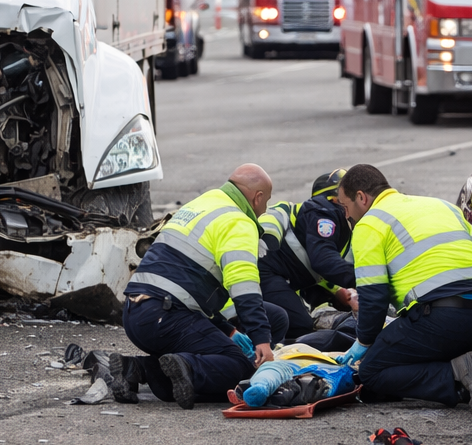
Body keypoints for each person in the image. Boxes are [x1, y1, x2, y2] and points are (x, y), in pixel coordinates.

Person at [334, 164, 472, 409]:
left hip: (443, 319)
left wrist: (364, 341)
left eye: (345, 207)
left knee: (372, 370)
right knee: (435, 338)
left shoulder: (369, 224)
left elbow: (374, 296)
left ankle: (456, 377)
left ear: (361, 198)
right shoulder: (441, 205)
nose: (347, 216)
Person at [110, 164, 277, 409]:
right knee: (240, 365)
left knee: (200, 357)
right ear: (257, 197)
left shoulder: (202, 203)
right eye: (267, 202)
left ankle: (137, 369)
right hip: (166, 316)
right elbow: (244, 285)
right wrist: (262, 339)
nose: (265, 210)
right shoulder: (239, 222)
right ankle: (188, 367)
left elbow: (183, 278)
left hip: (135, 313)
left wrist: (226, 329)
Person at [256, 168, 357, 342]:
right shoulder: (324, 212)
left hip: (281, 274)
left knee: (302, 318)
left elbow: (314, 264)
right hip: (264, 271)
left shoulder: (338, 225)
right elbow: (322, 260)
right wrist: (368, 281)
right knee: (299, 325)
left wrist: (339, 290)